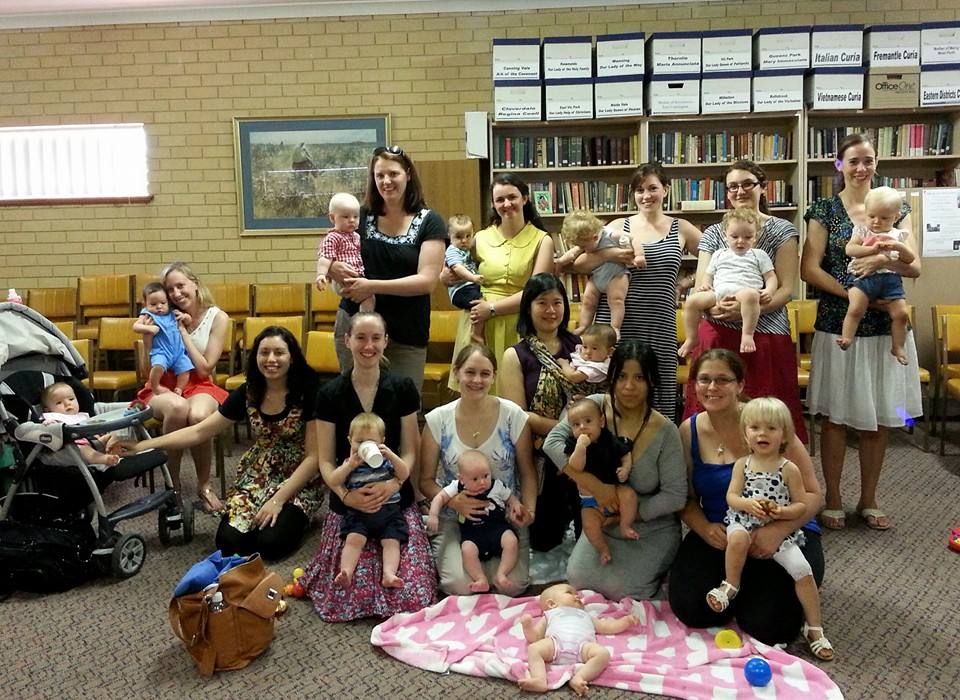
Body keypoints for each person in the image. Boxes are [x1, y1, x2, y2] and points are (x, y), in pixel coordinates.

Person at [113, 326, 324, 559]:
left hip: (299, 477)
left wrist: (277, 500)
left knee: (271, 544)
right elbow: (199, 432)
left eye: (279, 353)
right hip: (260, 472)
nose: (271, 359)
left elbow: (313, 458)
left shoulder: (309, 391)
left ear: (291, 357)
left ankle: (303, 516)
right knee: (229, 543)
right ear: (255, 357)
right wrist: (141, 446)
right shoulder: (249, 392)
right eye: (264, 353)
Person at [801, 133, 921, 531]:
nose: (861, 168)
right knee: (834, 419)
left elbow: (913, 266)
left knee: (880, 418)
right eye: (852, 160)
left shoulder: (896, 208)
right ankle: (833, 497)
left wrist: (884, 273)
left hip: (887, 328)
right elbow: (810, 269)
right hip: (840, 324)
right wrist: (856, 294)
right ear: (839, 165)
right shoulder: (823, 209)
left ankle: (869, 498)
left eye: (868, 160)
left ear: (876, 163)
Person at [668, 348, 826, 646]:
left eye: (723, 380)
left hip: (786, 531)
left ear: (740, 385)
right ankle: (742, 585)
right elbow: (685, 498)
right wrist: (703, 527)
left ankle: (760, 592)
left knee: (770, 627)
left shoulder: (769, 423)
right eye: (704, 379)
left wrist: (777, 531)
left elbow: (814, 495)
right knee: (692, 608)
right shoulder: (688, 431)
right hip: (725, 532)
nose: (712, 388)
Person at [299, 311, 436, 621]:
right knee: (345, 591)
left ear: (386, 342)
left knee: (412, 591)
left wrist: (394, 485)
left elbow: (411, 452)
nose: (368, 345)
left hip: (395, 496)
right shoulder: (329, 394)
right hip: (348, 500)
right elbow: (323, 460)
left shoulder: (402, 388)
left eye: (376, 338)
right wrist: (348, 496)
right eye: (360, 337)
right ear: (347, 341)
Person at [543, 341, 687, 601]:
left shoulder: (665, 431)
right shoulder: (595, 408)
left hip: (649, 528)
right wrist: (598, 488)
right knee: (579, 581)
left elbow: (675, 496)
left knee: (625, 592)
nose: (629, 386)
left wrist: (627, 513)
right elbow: (551, 443)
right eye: (621, 376)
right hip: (601, 522)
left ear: (652, 381)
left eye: (639, 377)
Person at [681, 161, 805, 440]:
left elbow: (785, 289)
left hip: (765, 333)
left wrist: (749, 309)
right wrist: (715, 307)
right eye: (733, 186)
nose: (740, 191)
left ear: (762, 188)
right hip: (717, 332)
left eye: (747, 183)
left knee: (766, 414)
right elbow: (704, 282)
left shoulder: (782, 230)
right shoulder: (715, 233)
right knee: (712, 409)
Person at [567, 163, 701, 421]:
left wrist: (686, 283)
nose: (646, 195)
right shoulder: (619, 226)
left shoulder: (681, 227)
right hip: (618, 325)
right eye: (639, 190)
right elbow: (580, 264)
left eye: (653, 188)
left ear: (666, 190)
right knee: (615, 395)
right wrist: (613, 254)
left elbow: (715, 257)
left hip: (658, 326)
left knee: (658, 393)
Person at [709, 397, 834, 661]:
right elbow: (732, 497)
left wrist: (782, 513)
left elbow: (802, 504)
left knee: (803, 572)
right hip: (743, 521)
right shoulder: (743, 464)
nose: (762, 434)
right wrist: (747, 504)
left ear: (784, 434)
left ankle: (814, 627)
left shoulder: (789, 469)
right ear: (745, 433)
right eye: (755, 428)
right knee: (738, 540)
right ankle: (730, 585)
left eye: (771, 428)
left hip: (779, 531)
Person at [420, 343, 537, 596]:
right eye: (470, 372)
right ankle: (477, 564)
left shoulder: (513, 415)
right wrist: (454, 503)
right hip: (457, 518)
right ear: (456, 373)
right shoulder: (438, 419)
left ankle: (493, 567)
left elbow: (528, 473)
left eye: (485, 373)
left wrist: (528, 510)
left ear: (494, 376)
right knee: (458, 586)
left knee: (514, 587)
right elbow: (426, 480)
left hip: (504, 514)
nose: (476, 380)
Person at [327, 145, 446, 393]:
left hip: (407, 331)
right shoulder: (359, 216)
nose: (386, 181)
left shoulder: (430, 221)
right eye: (379, 175)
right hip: (357, 327)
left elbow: (426, 282)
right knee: (356, 405)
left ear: (408, 175)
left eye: (393, 174)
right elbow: (331, 251)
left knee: (403, 407)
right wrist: (333, 268)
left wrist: (371, 286)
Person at [446, 173, 555, 396]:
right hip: (478, 322)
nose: (506, 204)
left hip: (518, 323)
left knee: (514, 395)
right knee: (476, 392)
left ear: (524, 198)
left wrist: (492, 309)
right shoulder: (479, 238)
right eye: (499, 200)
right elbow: (451, 269)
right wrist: (445, 277)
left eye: (512, 197)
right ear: (494, 205)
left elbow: (537, 293)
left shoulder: (543, 240)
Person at [501, 274, 586, 556]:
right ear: (528, 307)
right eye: (542, 303)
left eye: (557, 303)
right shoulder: (516, 355)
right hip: (541, 454)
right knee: (543, 541)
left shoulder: (580, 348)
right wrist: (568, 429)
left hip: (584, 447)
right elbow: (520, 416)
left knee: (591, 533)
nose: (551, 310)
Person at [136, 261, 230, 513]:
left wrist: (184, 332)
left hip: (199, 383)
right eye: (170, 289)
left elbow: (204, 369)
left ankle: (204, 485)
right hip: (163, 385)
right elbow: (148, 371)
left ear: (195, 284)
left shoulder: (217, 317)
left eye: (181, 286)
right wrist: (147, 340)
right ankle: (173, 484)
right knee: (178, 409)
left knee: (199, 415)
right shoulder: (158, 315)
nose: (176, 294)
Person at [679, 209, 778, 357]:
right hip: (718, 293)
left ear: (755, 237)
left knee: (751, 295)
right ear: (725, 235)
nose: (740, 241)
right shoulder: (719, 254)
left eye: (747, 237)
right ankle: (692, 338)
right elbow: (708, 274)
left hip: (744, 292)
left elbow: (771, 277)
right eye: (735, 236)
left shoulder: (759, 255)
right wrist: (705, 285)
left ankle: (747, 334)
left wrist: (769, 291)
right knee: (692, 301)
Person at [328, 412, 410, 589]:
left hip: (388, 512)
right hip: (359, 514)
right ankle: (346, 572)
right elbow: (334, 481)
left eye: (371, 442)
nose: (365, 446)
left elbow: (404, 474)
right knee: (353, 540)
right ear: (350, 440)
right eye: (359, 442)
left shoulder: (386, 462)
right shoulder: (350, 463)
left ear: (382, 441)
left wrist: (392, 456)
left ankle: (389, 574)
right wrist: (349, 465)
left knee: (392, 541)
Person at [426, 449, 523, 594]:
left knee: (511, 541)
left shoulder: (496, 486)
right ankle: (480, 578)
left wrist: (516, 505)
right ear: (462, 479)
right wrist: (433, 514)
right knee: (467, 550)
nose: (482, 482)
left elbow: (510, 497)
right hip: (472, 534)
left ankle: (501, 573)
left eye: (486, 475)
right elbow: (440, 497)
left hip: (498, 529)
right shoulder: (457, 486)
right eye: (475, 479)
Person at [517, 583, 639, 696]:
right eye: (569, 593)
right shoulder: (551, 614)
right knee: (534, 649)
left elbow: (608, 627)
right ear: (552, 604)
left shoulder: (587, 615)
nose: (577, 596)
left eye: (577, 594)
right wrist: (527, 626)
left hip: (583, 647)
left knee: (603, 654)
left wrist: (625, 621)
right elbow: (535, 637)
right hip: (555, 644)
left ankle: (579, 678)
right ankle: (539, 679)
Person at [837, 186, 913, 365]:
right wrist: (871, 249)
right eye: (871, 216)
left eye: (884, 218)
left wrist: (899, 246)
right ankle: (847, 337)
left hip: (890, 280)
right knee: (856, 308)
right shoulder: (862, 230)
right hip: (862, 277)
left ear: (896, 217)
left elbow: (910, 260)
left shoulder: (897, 235)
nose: (876, 222)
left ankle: (898, 346)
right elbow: (850, 249)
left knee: (901, 314)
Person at [562, 397, 637, 565]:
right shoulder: (573, 443)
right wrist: (581, 448)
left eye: (588, 421)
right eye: (576, 424)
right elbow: (575, 466)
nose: (582, 427)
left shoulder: (608, 439)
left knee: (629, 495)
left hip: (614, 489)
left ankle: (625, 525)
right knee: (588, 524)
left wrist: (626, 468)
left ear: (601, 421)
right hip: (589, 501)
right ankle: (602, 549)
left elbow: (625, 452)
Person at [554, 211, 642, 338]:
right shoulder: (586, 239)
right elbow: (573, 254)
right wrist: (561, 262)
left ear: (595, 237)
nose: (582, 249)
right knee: (587, 301)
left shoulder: (611, 234)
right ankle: (584, 325)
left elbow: (635, 239)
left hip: (616, 275)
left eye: (583, 246)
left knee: (616, 300)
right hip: (597, 276)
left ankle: (615, 327)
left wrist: (640, 255)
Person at [315, 192, 374, 313]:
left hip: (354, 276)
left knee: (368, 298)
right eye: (346, 217)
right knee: (369, 296)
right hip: (342, 280)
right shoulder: (333, 237)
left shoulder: (355, 236)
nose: (352, 220)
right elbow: (325, 257)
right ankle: (363, 320)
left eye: (356, 217)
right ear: (332, 218)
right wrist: (321, 274)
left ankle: (363, 319)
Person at [133, 282, 194, 397]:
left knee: (185, 369)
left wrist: (185, 317)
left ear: (168, 302)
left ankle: (179, 388)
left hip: (178, 352)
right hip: (161, 352)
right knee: (158, 367)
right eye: (153, 304)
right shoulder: (147, 315)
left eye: (163, 303)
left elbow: (189, 321)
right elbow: (135, 326)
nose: (159, 307)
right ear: (145, 304)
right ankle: (155, 385)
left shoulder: (173, 313)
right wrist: (149, 328)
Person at [40, 382, 119, 468]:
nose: (67, 403)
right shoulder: (52, 417)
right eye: (59, 402)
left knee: (113, 435)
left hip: (93, 441)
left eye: (71, 399)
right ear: (48, 410)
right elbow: (47, 428)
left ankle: (114, 450)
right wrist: (49, 425)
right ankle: (104, 459)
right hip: (73, 447)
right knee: (84, 450)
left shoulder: (81, 416)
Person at [444, 214, 486, 343]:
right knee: (480, 304)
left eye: (468, 236)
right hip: (460, 291)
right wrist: (473, 277)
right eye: (458, 237)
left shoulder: (467, 250)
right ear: (449, 236)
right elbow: (457, 268)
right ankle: (476, 333)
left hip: (468, 286)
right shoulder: (452, 251)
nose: (464, 240)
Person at [556, 323, 616, 389]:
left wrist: (564, 364)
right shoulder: (589, 357)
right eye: (585, 347)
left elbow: (574, 377)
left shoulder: (597, 367)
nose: (588, 352)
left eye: (594, 348)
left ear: (609, 351)